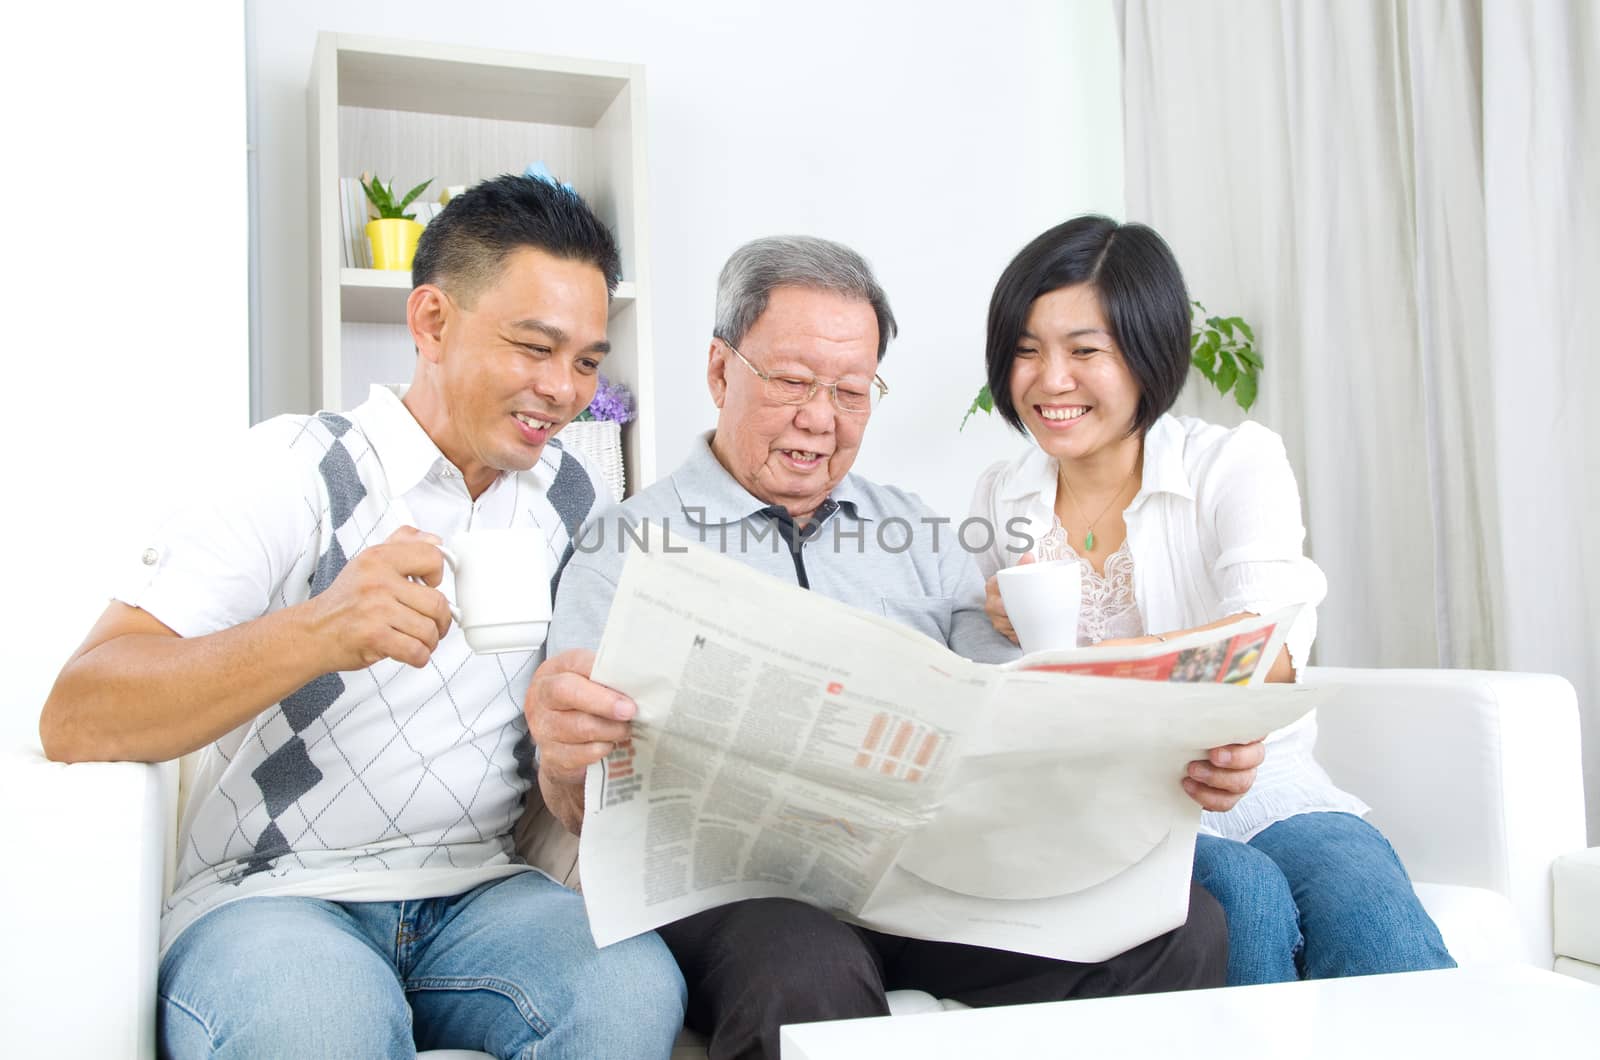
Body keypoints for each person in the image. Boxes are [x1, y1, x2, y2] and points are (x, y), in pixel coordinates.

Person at [526, 235, 1263, 1060]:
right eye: (794, 382)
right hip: (746, 898)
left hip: (931, 882)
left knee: (1176, 928)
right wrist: (564, 759)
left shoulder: (916, 531)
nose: (820, 418)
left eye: (851, 391)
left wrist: (1167, 752)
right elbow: (577, 800)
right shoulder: (625, 543)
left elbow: (1016, 708)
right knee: (805, 969)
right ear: (719, 371)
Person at [37, 174, 685, 1059]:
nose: (562, 390)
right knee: (316, 1026)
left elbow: (578, 758)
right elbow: (78, 711)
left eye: (584, 361)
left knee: (634, 988)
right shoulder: (296, 468)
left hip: (483, 892)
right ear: (431, 322)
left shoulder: (574, 499)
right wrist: (319, 631)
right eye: (533, 347)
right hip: (271, 896)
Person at [968, 214, 1456, 985]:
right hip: (1110, 816)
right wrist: (997, 634)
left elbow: (1268, 641)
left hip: (1267, 788)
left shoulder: (1233, 462)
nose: (1049, 380)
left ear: (1149, 352)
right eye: (1026, 350)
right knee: (1242, 905)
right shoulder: (1003, 497)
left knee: (1365, 906)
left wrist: (1071, 666)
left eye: (1084, 351)